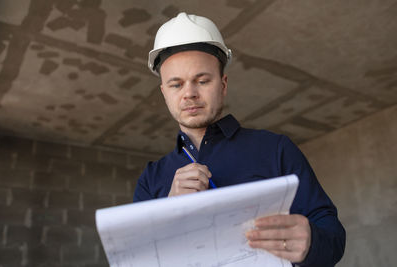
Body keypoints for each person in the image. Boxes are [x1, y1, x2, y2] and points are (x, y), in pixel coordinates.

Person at [133, 12, 345, 266]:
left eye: (202, 80)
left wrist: (311, 242)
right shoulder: (151, 178)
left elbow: (332, 235)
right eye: (176, 85)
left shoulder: (275, 149)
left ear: (222, 84)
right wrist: (169, 211)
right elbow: (136, 257)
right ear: (164, 93)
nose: (189, 93)